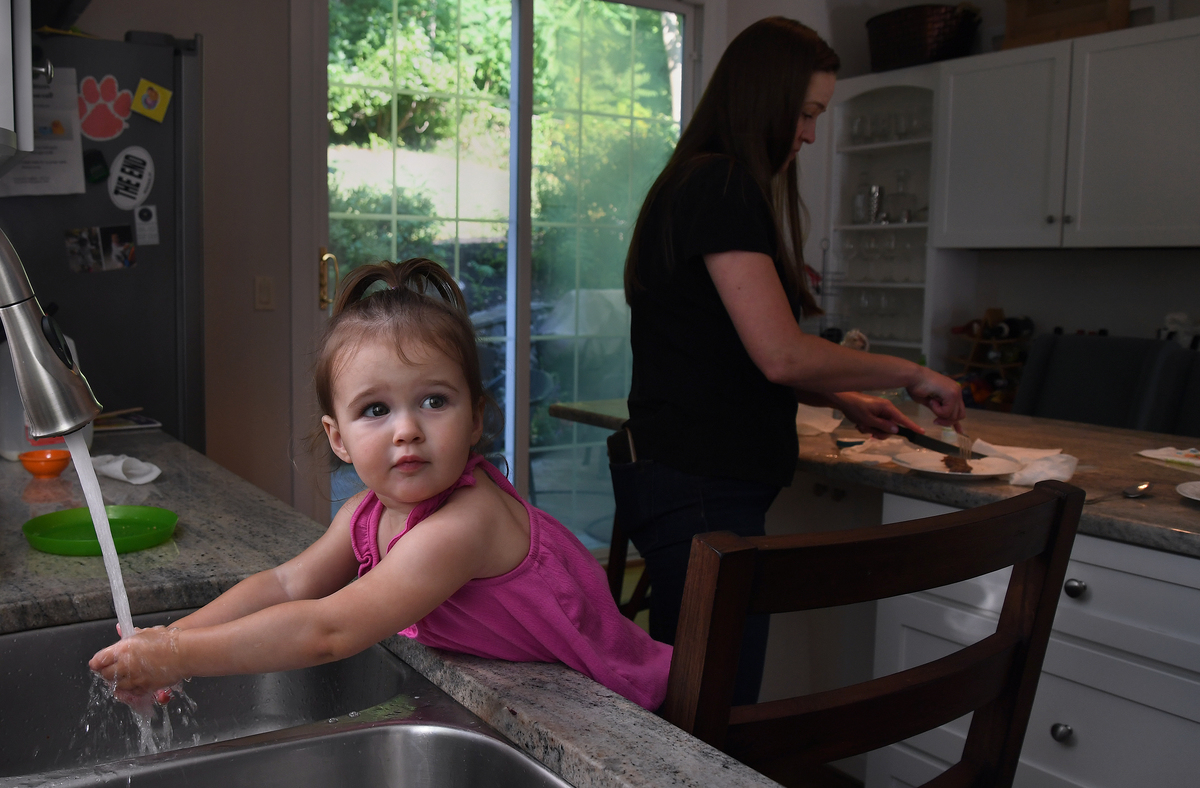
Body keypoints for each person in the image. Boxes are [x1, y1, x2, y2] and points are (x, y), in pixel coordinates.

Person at [91, 258, 672, 712]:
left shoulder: (465, 523)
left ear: (475, 420)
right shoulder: (367, 514)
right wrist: (171, 638)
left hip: (623, 717)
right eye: (374, 410)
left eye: (434, 401)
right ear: (337, 437)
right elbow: (289, 583)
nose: (407, 430)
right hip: (543, 701)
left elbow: (328, 630)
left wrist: (176, 656)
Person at [611, 17, 966, 705]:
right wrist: (913, 372)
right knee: (711, 713)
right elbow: (780, 355)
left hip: (687, 479)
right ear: (764, 100)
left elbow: (723, 348)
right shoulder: (720, 187)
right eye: (805, 114)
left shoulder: (694, 181)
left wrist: (843, 398)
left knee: (699, 700)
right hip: (699, 487)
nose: (808, 134)